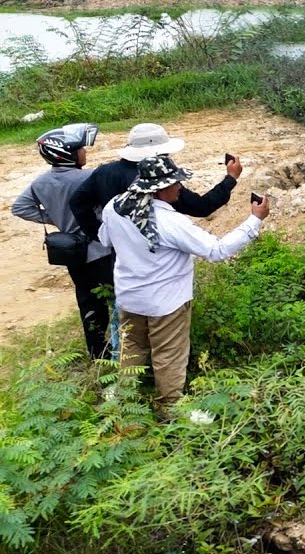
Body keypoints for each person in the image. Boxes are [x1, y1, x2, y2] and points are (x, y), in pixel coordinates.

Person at [99, 156, 269, 409]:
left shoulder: (114, 207)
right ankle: (169, 408)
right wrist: (255, 220)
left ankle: (125, 402)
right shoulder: (170, 222)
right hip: (166, 303)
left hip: (129, 296)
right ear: (160, 189)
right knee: (168, 355)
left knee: (132, 347)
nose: (180, 186)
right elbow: (217, 250)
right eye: (175, 182)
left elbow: (104, 240)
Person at [70, 123, 241, 357]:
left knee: (127, 325)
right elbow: (202, 207)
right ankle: (163, 382)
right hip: (160, 272)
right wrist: (230, 179)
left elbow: (77, 202)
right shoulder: (160, 183)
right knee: (165, 339)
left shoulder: (104, 173)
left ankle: (120, 372)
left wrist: (101, 235)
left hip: (122, 263)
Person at [11, 123, 113, 359]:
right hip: (100, 249)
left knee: (88, 303)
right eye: (80, 149)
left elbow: (20, 208)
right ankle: (123, 350)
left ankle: (98, 354)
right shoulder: (90, 177)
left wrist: (54, 217)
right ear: (67, 154)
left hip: (72, 252)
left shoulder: (40, 182)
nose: (85, 152)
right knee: (117, 299)